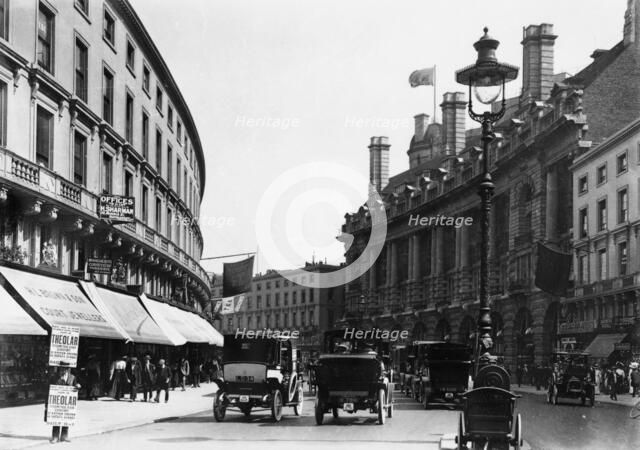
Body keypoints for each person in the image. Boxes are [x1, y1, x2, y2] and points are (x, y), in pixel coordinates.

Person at [46, 366, 81, 443]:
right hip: (57, 402)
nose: (63, 370)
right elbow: (49, 387)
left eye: (65, 369)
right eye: (62, 369)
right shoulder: (54, 377)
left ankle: (64, 436)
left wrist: (78, 386)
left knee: (66, 418)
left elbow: (76, 385)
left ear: (68, 369)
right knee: (56, 418)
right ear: (59, 369)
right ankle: (55, 436)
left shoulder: (72, 377)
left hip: (67, 403)